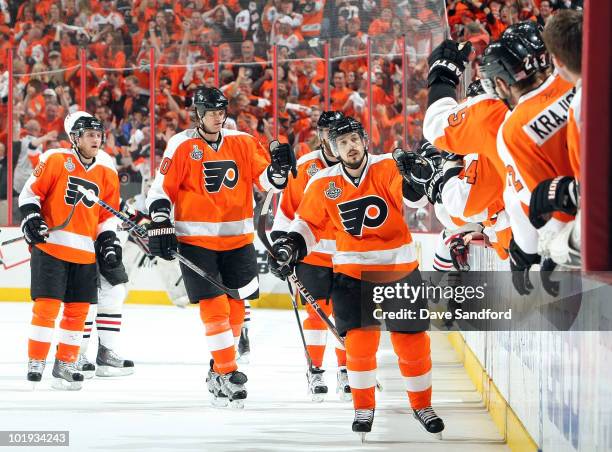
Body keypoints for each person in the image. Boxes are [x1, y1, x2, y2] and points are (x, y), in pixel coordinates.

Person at [268, 116, 444, 439]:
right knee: (360, 346)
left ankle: (422, 405)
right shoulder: (322, 182)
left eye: (353, 140)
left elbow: (413, 198)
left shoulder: (387, 166)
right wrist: (290, 247)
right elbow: (308, 225)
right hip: (351, 273)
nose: (349, 147)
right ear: (333, 148)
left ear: (364, 140)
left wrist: (415, 179)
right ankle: (363, 407)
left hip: (399, 269)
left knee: (413, 343)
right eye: (342, 143)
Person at [145, 86, 295, 408]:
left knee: (237, 308)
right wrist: (160, 218)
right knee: (215, 306)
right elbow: (161, 189)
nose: (217, 116)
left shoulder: (242, 141)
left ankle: (217, 370)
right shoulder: (182, 144)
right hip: (196, 241)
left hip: (238, 239)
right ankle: (228, 371)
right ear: (198, 113)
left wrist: (279, 171)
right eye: (210, 111)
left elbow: (267, 181)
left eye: (220, 110)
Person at [19, 111, 121, 390]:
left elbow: (106, 216)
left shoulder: (106, 172)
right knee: (46, 308)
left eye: (99, 134)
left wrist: (109, 240)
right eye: (90, 134)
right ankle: (36, 360)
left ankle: (65, 362)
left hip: (85, 252)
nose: (96, 139)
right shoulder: (55, 159)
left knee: (78, 312)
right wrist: (32, 218)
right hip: (52, 247)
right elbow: (30, 194)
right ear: (75, 138)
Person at [479, 33, 575, 294]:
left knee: (512, 194)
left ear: (500, 82)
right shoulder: (576, 81)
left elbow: (541, 204)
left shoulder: (512, 130)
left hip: (586, 232)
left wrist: (527, 252)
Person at [271, 110, 351, 402]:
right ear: (321, 135)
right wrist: (281, 246)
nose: (336, 140)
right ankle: (316, 369)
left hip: (348, 253)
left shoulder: (356, 165)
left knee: (346, 313)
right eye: (330, 134)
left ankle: (347, 369)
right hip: (313, 253)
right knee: (318, 316)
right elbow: (286, 213)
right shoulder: (304, 167)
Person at [529, 9, 583, 268]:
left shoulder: (584, 103)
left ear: (557, 61)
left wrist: (576, 192)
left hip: (596, 227)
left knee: (552, 248)